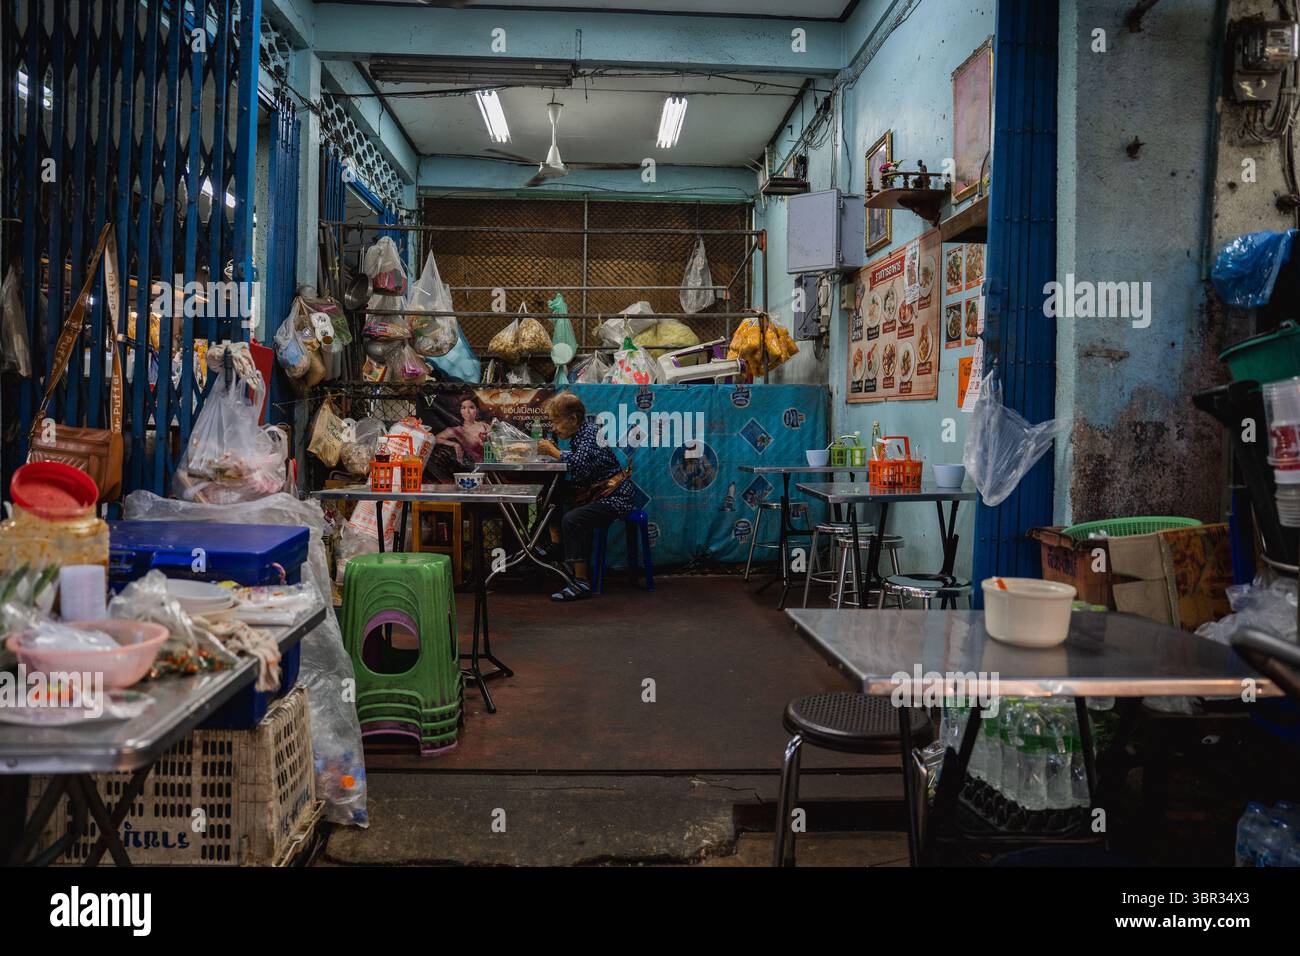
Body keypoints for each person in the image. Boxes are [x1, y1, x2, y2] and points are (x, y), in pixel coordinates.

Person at [537, 392, 636, 601]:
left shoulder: (591, 433)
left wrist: (553, 452)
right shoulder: (580, 435)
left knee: (573, 519)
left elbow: (578, 463)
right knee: (552, 491)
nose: (554, 427)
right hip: (597, 494)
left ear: (573, 419)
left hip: (614, 497)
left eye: (556, 421)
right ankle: (556, 546)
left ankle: (581, 582)